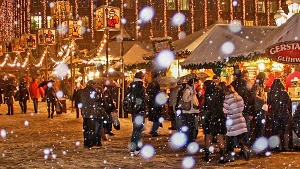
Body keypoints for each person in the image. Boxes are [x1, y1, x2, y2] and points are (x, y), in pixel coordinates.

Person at [223, 85, 250, 161]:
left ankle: (231, 155)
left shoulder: (227, 100)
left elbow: (225, 111)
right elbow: (242, 108)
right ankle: (245, 149)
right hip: (240, 119)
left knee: (230, 139)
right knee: (241, 138)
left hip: (232, 120)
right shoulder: (239, 97)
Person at [201, 80, 226, 163]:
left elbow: (205, 106)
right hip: (219, 116)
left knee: (208, 135)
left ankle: (207, 155)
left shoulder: (208, 94)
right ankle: (222, 155)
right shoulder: (220, 93)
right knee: (219, 135)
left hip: (210, 116)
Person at [124, 71, 147, 156]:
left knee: (136, 129)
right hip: (139, 111)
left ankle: (135, 147)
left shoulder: (131, 86)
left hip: (134, 111)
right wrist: (140, 106)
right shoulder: (140, 87)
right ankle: (134, 148)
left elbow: (128, 98)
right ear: (142, 77)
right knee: (137, 130)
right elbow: (140, 99)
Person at [266, 79, 292, 151]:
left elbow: (269, 103)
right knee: (286, 131)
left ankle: (279, 146)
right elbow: (289, 102)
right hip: (284, 113)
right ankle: (286, 147)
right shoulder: (284, 93)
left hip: (275, 114)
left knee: (277, 131)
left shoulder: (270, 93)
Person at [231, 69, 254, 145]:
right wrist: (251, 111)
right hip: (245, 108)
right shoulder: (246, 84)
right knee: (245, 127)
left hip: (235, 110)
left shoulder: (233, 85)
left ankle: (236, 143)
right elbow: (250, 98)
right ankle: (245, 142)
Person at [79, 80, 105, 149]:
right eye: (95, 84)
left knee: (86, 128)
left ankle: (86, 142)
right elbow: (96, 99)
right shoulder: (92, 91)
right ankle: (91, 143)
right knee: (91, 128)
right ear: (92, 85)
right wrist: (99, 94)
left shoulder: (83, 91)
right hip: (91, 112)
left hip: (85, 112)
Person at [179, 78, 200, 144]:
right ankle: (188, 140)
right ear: (192, 83)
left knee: (191, 126)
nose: (197, 84)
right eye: (196, 83)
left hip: (192, 111)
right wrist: (192, 95)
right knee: (189, 126)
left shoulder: (192, 90)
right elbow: (185, 99)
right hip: (188, 111)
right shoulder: (188, 90)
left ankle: (190, 139)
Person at [251, 72, 267, 142]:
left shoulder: (260, 86)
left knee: (260, 126)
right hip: (259, 108)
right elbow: (254, 96)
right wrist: (263, 99)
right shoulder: (257, 86)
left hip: (261, 108)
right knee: (260, 126)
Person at [147, 73, 162, 137]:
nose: (160, 78)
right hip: (155, 103)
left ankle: (153, 130)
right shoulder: (155, 84)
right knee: (157, 118)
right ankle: (154, 131)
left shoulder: (151, 84)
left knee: (155, 117)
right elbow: (155, 94)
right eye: (159, 77)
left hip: (153, 103)